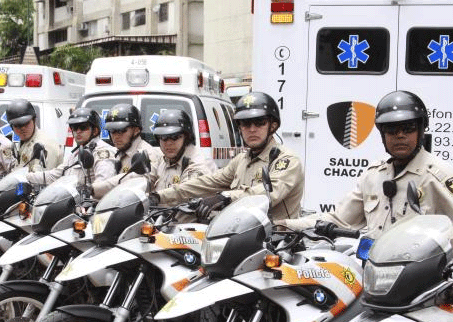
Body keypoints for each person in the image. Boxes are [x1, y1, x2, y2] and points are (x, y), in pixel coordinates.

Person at [279, 91, 453, 239]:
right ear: (382, 135)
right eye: (391, 129)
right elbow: (339, 220)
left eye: (408, 128)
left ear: (421, 130)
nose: (400, 135)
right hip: (374, 269)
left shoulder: (438, 175)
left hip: (420, 274)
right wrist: (285, 225)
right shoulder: (374, 176)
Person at [153, 92, 304, 222]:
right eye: (245, 124)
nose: (252, 129)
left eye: (259, 123)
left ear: (272, 126)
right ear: (239, 128)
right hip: (242, 234)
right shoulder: (242, 160)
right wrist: (159, 196)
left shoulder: (286, 160)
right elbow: (206, 183)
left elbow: (270, 194)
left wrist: (225, 197)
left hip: (279, 241)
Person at [27, 107, 116, 185]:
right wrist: (25, 177)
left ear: (95, 131)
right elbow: (53, 176)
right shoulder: (76, 153)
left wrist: (91, 193)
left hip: (90, 203)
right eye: (74, 127)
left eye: (83, 127)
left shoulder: (102, 152)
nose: (78, 131)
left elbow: (104, 183)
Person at [91, 104, 161, 198]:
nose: (116, 136)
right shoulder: (119, 152)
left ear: (136, 130)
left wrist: (95, 189)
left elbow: (138, 180)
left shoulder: (146, 153)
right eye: (112, 131)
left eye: (121, 130)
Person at [5, 99, 63, 172]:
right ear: (12, 127)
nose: (23, 128)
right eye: (18, 125)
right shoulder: (24, 142)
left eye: (26, 123)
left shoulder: (44, 146)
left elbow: (41, 179)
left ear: (34, 120)